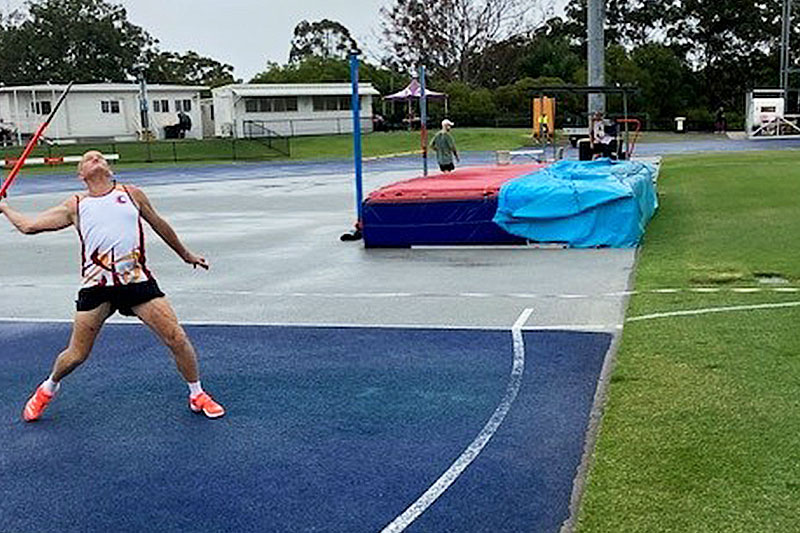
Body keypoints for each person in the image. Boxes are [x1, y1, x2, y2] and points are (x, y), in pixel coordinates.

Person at [0, 150, 225, 422]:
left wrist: (185, 254)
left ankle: (197, 393)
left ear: (109, 168)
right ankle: (48, 388)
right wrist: (4, 208)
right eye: (87, 159)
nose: (95, 158)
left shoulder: (132, 194)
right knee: (76, 355)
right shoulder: (75, 205)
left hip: (136, 281)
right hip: (96, 286)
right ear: (80, 174)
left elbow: (160, 225)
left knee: (176, 337)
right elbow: (28, 226)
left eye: (99, 157)